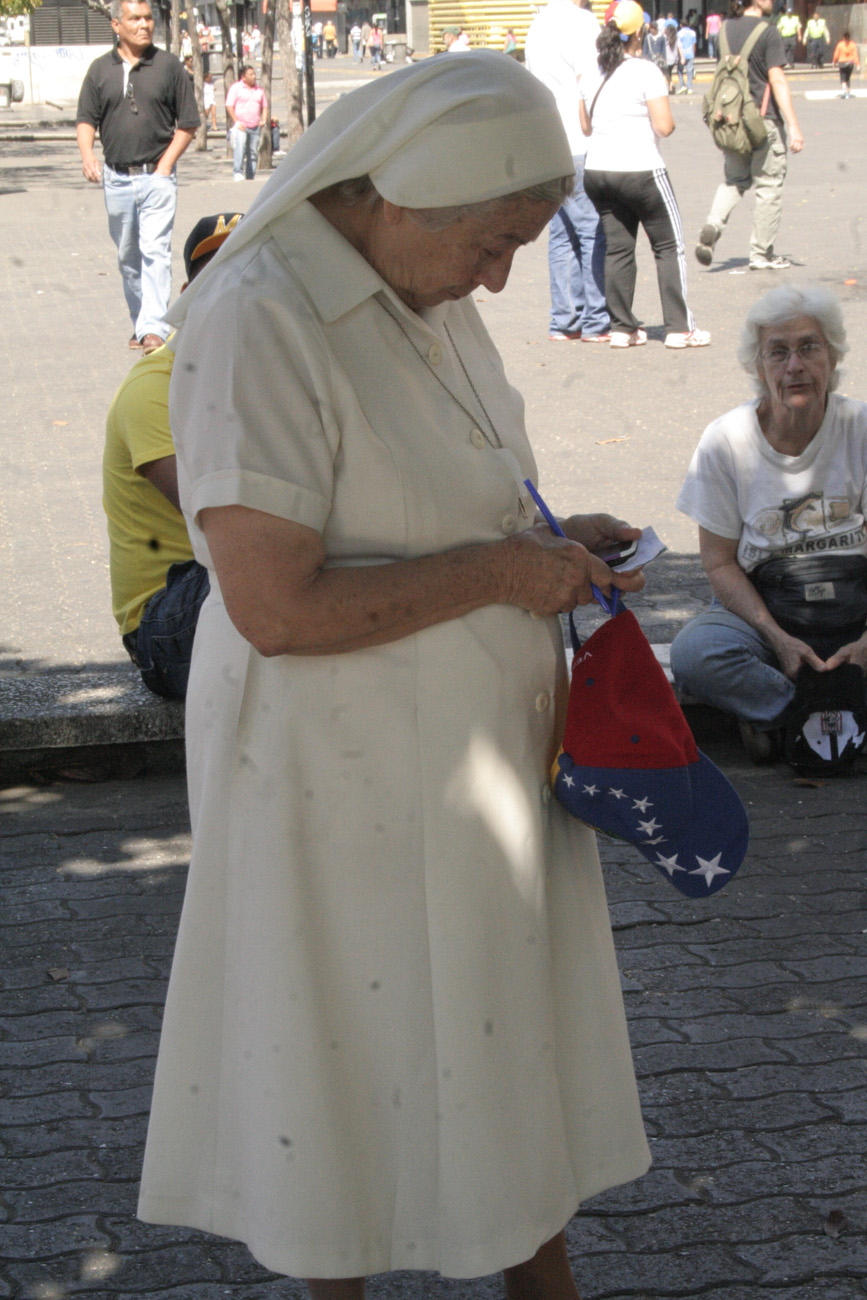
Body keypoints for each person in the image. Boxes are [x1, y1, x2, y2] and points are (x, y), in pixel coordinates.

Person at [137, 50, 651, 1298]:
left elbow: (441, 495)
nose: (501, 274)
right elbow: (273, 603)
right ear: (406, 197)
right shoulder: (261, 313)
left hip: (465, 782)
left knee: (500, 1055)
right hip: (337, 791)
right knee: (347, 1071)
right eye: (494, 240)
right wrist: (498, 576)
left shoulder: (423, 282)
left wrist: (544, 544)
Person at [670, 285, 867, 762]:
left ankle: (791, 725)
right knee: (695, 653)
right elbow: (718, 563)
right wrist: (777, 638)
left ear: (832, 357)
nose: (794, 366)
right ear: (758, 368)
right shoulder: (725, 442)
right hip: (768, 612)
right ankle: (825, 715)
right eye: (777, 353)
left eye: (808, 348)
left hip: (857, 606)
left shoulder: (861, 429)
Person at [103, 211, 242, 700]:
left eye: (249, 275)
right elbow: (222, 520)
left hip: (227, 577)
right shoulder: (152, 389)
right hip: (165, 613)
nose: (234, 295)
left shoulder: (262, 374)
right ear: (187, 297)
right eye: (216, 280)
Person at [579, 2, 710, 349]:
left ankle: (622, 328)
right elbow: (664, 127)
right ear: (640, 32)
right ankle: (679, 328)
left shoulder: (590, 71)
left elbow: (585, 126)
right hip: (640, 169)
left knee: (618, 249)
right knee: (669, 245)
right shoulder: (646, 71)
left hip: (598, 171)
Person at [76, 0, 200, 354]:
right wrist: (88, 155)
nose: (145, 24)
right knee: (128, 256)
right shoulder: (100, 70)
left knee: (155, 251)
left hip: (157, 178)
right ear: (117, 25)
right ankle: (141, 320)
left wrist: (165, 166)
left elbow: (188, 123)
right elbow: (86, 119)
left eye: (149, 18)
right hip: (115, 180)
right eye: (135, 19)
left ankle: (154, 329)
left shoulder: (169, 67)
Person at [694, 0, 804, 273]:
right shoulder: (768, 31)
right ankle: (760, 252)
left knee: (734, 181)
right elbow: (776, 79)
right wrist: (793, 125)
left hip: (731, 120)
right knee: (768, 186)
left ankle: (713, 225)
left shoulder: (725, 29)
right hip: (762, 121)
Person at [526, 0, 610, 343]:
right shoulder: (582, 22)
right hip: (580, 139)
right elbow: (591, 81)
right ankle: (596, 319)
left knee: (561, 234)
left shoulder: (538, 23)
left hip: (549, 141)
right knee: (593, 229)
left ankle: (565, 319)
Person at [226, 63, 268, 182]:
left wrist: (263, 121)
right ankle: (237, 172)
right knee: (240, 149)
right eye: (251, 74)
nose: (254, 76)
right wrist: (237, 122)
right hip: (242, 126)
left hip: (255, 126)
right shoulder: (236, 88)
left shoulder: (259, 90)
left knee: (253, 152)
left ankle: (250, 175)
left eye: (254, 74)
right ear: (243, 77)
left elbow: (264, 106)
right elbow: (229, 105)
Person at [832, 30, 859, 98]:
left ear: (843, 38)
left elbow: (836, 55)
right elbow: (855, 55)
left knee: (843, 78)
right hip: (850, 63)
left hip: (842, 63)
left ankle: (844, 90)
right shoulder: (852, 44)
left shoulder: (840, 45)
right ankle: (848, 92)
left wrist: (834, 62)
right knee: (848, 78)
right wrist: (858, 64)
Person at [675, 18, 697, 92]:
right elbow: (694, 45)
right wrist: (693, 53)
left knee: (679, 70)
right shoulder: (693, 33)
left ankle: (682, 85)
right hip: (690, 54)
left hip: (682, 54)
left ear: (681, 25)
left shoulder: (679, 33)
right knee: (689, 71)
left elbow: (679, 45)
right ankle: (689, 87)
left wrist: (681, 56)